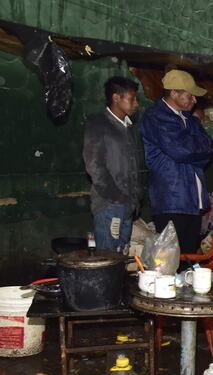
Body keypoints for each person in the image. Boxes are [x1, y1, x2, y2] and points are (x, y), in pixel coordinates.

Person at [141, 69, 213, 254]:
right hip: (172, 200)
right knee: (171, 262)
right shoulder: (157, 117)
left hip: (192, 202)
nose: (194, 100)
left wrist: (194, 151)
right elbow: (181, 151)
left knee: (188, 258)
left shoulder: (191, 121)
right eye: (190, 95)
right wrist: (196, 151)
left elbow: (209, 149)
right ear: (174, 93)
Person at [83, 76, 141, 253]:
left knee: (121, 256)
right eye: (132, 99)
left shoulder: (129, 128)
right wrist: (117, 197)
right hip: (109, 205)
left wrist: (134, 198)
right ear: (116, 98)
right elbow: (94, 166)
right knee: (107, 259)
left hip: (128, 205)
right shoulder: (98, 124)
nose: (137, 104)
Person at [192, 98, 213, 236]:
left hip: (210, 188)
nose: (199, 124)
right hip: (201, 190)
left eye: (201, 120)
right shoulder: (188, 138)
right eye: (196, 120)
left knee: (207, 230)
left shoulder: (201, 135)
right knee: (198, 230)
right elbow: (212, 150)